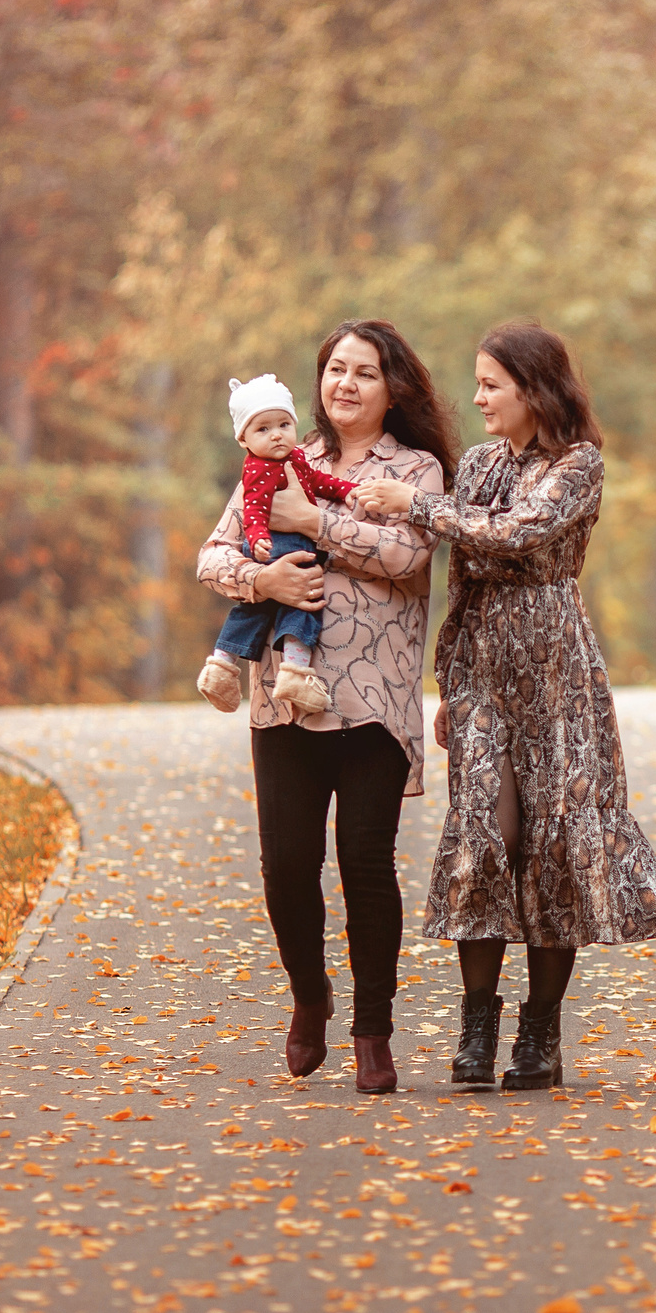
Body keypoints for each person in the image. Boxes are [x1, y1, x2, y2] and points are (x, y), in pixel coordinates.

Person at [350, 320, 656, 1091]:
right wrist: (452, 684)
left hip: (560, 678)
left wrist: (418, 507)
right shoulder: (479, 464)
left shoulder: (580, 465)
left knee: (554, 846)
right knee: (482, 841)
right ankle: (476, 1026)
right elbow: (465, 581)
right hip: (486, 679)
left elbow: (517, 535)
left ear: (534, 389)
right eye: (478, 382)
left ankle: (541, 1033)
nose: (478, 397)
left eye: (492, 384)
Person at [196, 322, 457, 1094]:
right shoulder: (280, 452)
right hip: (285, 700)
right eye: (335, 369)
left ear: (392, 388)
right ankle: (310, 997)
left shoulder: (418, 470)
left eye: (364, 373)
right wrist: (261, 584)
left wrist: (314, 525)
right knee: (286, 870)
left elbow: (409, 558)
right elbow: (213, 554)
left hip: (374, 701)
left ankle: (372, 1031)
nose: (345, 384)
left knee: (366, 867)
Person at [200, 375, 361, 717]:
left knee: (253, 612)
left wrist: (343, 489)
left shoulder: (295, 458)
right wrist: (258, 538)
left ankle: (221, 666)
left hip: (281, 546)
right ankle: (295, 671)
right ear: (243, 439)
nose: (276, 434)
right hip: (279, 547)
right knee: (305, 603)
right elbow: (254, 510)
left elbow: (316, 481)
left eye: (284, 424)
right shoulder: (259, 469)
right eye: (263, 430)